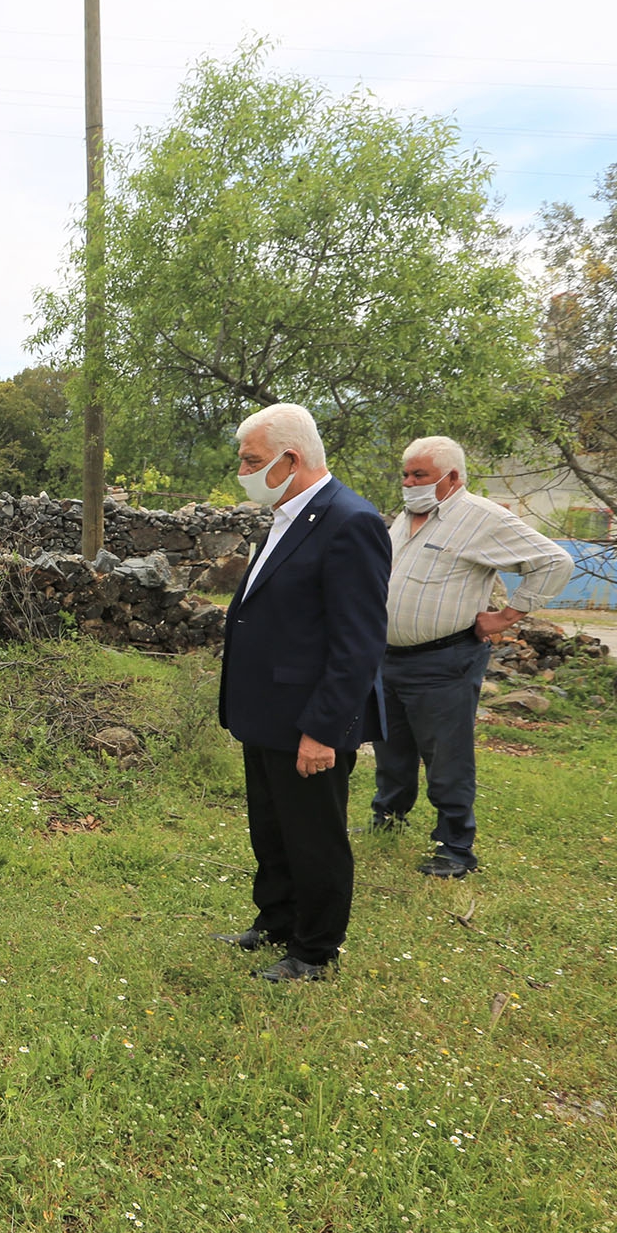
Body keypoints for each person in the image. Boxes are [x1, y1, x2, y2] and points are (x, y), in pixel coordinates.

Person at [215, 404, 389, 983]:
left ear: (291, 459)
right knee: (271, 827)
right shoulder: (290, 517)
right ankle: (277, 920)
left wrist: (323, 728)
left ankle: (315, 950)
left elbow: (357, 642)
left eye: (252, 461)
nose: (242, 471)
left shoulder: (349, 521)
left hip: (307, 718)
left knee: (314, 835)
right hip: (267, 711)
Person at [374, 436, 574, 879]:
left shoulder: (481, 518)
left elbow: (554, 561)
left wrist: (507, 615)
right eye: (405, 474)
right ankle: (387, 818)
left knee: (447, 756)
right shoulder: (404, 520)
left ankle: (455, 847)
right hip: (388, 657)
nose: (408, 483)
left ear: (452, 478)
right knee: (391, 747)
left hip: (443, 660)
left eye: (419, 475)